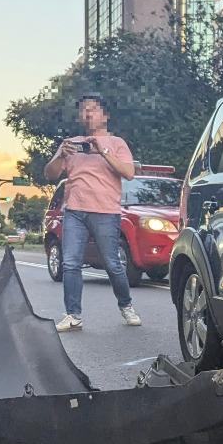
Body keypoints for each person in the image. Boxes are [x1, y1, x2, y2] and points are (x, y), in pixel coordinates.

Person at [44, 93, 142, 331]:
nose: (87, 113)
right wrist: (60, 155)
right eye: (83, 110)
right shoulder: (71, 143)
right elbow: (50, 174)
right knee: (70, 263)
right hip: (75, 210)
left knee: (112, 264)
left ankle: (126, 305)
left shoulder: (117, 143)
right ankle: (73, 314)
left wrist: (102, 151)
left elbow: (129, 173)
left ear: (105, 115)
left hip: (106, 211)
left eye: (93, 109)